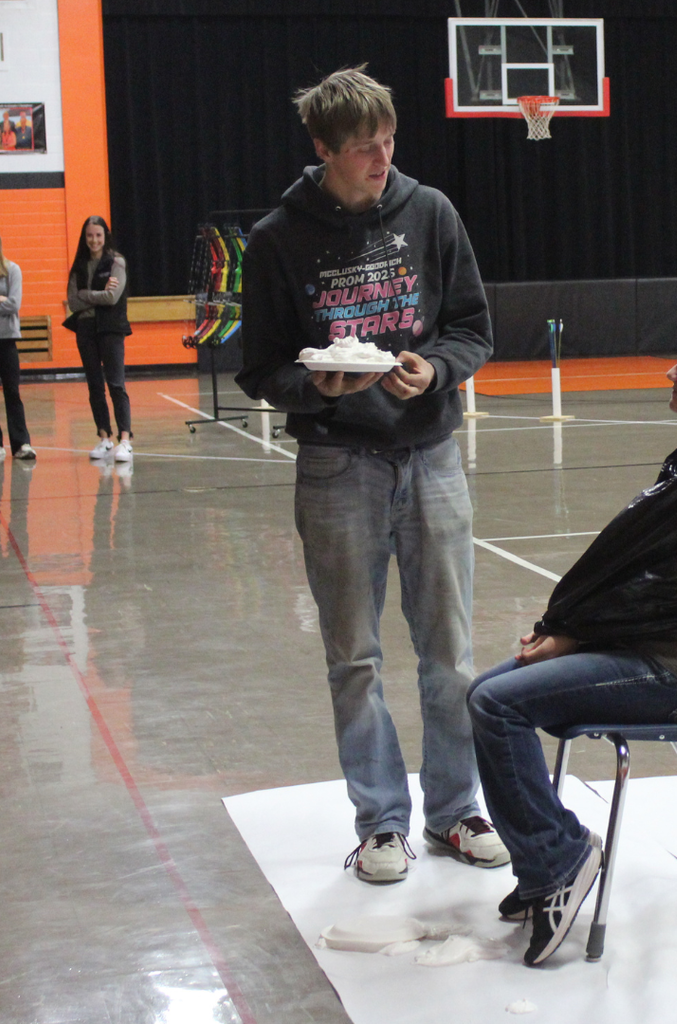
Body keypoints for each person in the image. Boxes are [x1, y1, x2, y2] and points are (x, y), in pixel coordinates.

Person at [236, 65, 508, 884]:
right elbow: (261, 368)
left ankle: (455, 812)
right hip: (335, 465)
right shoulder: (277, 239)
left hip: (430, 455)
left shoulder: (429, 213)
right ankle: (382, 822)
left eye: (389, 141)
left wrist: (438, 370)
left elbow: (472, 328)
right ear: (322, 149)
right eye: (362, 147)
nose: (381, 157)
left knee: (451, 651)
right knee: (354, 655)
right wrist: (315, 383)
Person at [468, 315, 677, 967]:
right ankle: (542, 868)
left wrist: (574, 637)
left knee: (496, 705)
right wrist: (569, 626)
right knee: (486, 691)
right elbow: (644, 577)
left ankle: (561, 858)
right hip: (653, 651)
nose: (671, 375)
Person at [63, 216, 133, 462]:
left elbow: (113, 297)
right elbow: (72, 301)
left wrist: (88, 295)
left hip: (111, 328)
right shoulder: (79, 266)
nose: (94, 240)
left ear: (105, 236)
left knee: (116, 383)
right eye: (90, 235)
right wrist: (98, 293)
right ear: (85, 237)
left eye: (98, 235)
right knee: (95, 385)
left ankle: (125, 440)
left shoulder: (117, 262)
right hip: (85, 329)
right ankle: (104, 438)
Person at [0, 229, 37, 460]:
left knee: (12, 391)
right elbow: (6, 303)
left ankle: (21, 443)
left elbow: (14, 304)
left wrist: (4, 301)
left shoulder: (12, 270)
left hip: (7, 339)